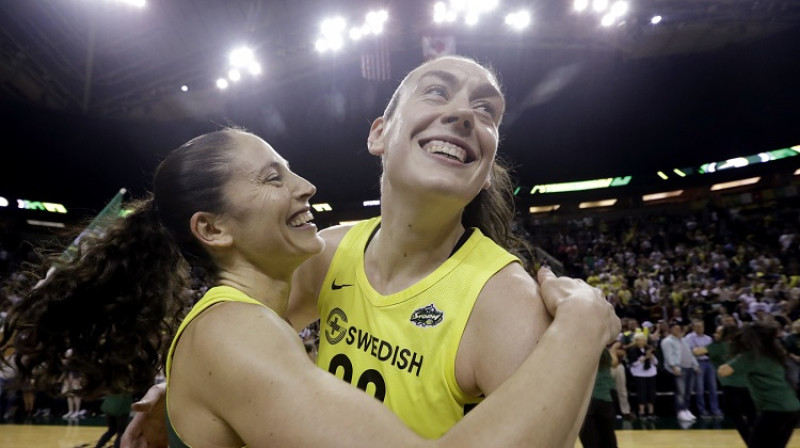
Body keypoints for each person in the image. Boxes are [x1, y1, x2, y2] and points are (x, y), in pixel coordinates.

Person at [0, 128, 620, 447]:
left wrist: (171, 387)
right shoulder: (234, 333)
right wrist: (582, 324)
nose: (306, 186)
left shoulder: (282, 294)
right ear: (212, 228)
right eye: (274, 177)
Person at [124, 54, 599, 444]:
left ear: (487, 159)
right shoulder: (326, 254)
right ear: (378, 134)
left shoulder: (505, 299)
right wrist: (183, 388)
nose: (464, 114)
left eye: (487, 111)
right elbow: (231, 348)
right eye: (436, 90)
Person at [719, 321, 800, 448]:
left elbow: (723, 371)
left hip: (774, 408)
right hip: (793, 407)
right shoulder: (774, 354)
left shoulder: (751, 356)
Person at [707, 324, 756, 446]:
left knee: (737, 418)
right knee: (752, 416)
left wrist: (714, 343)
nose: (715, 335)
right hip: (747, 385)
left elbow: (696, 351)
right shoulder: (743, 346)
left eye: (718, 333)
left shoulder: (717, 347)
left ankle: (751, 443)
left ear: (724, 335)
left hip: (730, 387)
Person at [579, 345, 619, 448]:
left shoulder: (579, 351)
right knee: (608, 440)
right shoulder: (603, 351)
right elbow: (614, 362)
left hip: (584, 403)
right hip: (604, 400)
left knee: (590, 441)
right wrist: (613, 350)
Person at [684, 319, 724, 418]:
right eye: (697, 327)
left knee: (713, 387)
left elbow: (709, 352)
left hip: (709, 362)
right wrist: (702, 351)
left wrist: (700, 350)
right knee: (700, 388)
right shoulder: (689, 337)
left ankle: (715, 409)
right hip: (698, 363)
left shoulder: (708, 338)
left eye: (701, 326)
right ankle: (702, 410)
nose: (700, 328)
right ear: (693, 328)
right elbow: (692, 352)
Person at [661, 321, 699, 422]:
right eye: (675, 329)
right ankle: (680, 411)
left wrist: (696, 365)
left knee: (688, 391)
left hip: (689, 367)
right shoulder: (667, 341)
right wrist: (673, 367)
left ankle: (686, 409)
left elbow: (690, 353)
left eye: (678, 328)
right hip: (679, 368)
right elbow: (668, 356)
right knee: (680, 392)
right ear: (670, 330)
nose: (677, 330)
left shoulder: (685, 340)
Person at [627, 332, 658, 420]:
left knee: (651, 393)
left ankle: (651, 412)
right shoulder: (632, 350)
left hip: (651, 373)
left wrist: (650, 356)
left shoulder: (649, 349)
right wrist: (644, 357)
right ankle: (642, 412)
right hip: (639, 374)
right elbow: (634, 364)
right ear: (636, 341)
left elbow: (656, 362)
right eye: (640, 340)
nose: (642, 342)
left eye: (643, 340)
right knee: (642, 393)